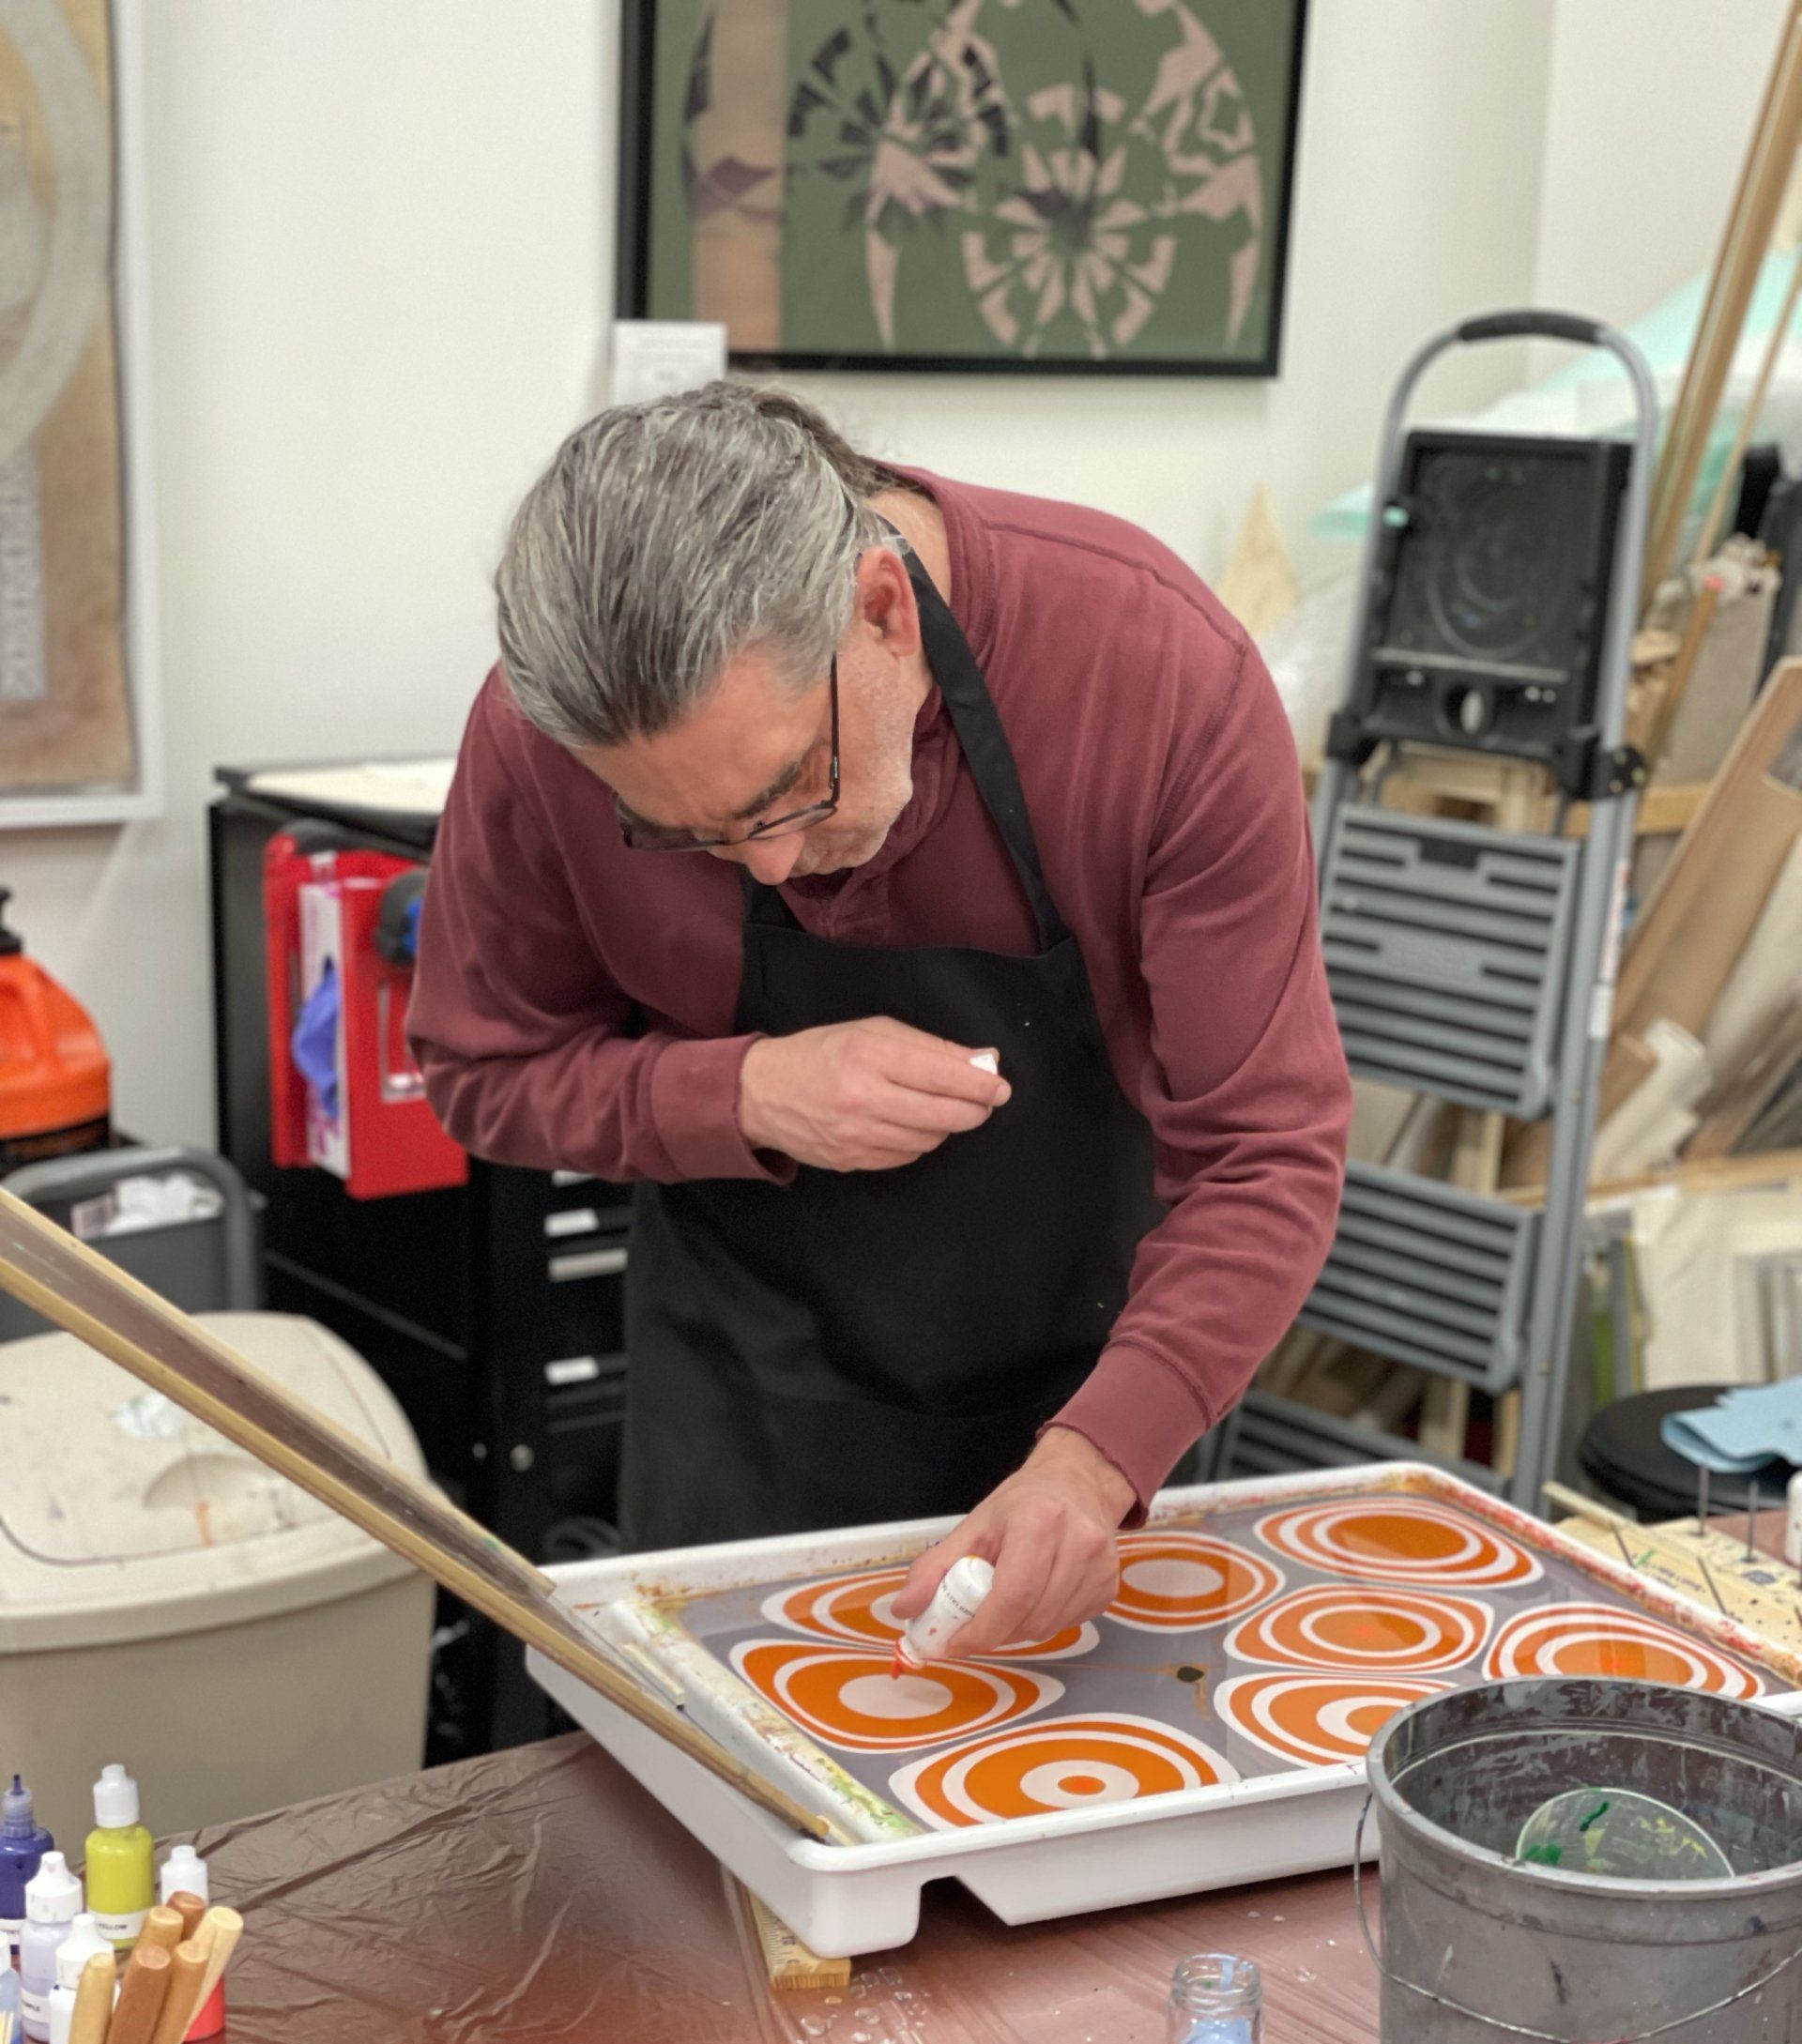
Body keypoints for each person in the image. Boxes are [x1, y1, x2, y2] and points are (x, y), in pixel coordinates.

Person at [409, 384, 1349, 1655]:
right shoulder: (541, 740)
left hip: (1102, 1392)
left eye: (792, 784)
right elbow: (486, 1071)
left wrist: (1093, 1464)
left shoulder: (1151, 670)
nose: (771, 869)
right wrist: (740, 1094)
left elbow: (1267, 1151)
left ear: (884, 610)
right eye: (683, 833)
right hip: (745, 1413)